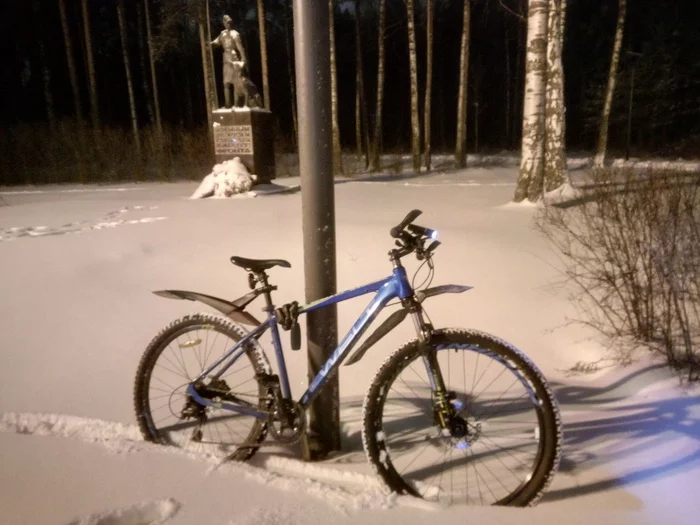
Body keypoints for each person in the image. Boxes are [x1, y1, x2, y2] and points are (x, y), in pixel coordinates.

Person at [210, 15, 248, 108]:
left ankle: (236, 104)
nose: (228, 24)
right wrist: (209, 43)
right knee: (226, 82)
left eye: (229, 22)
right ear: (223, 23)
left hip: (233, 57)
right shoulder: (222, 33)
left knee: (235, 81)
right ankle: (227, 104)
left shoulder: (235, 34)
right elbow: (217, 42)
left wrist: (243, 58)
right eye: (226, 22)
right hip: (226, 58)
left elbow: (239, 47)